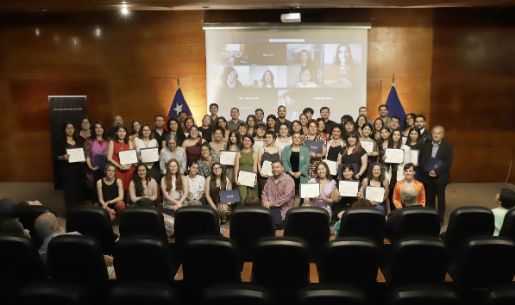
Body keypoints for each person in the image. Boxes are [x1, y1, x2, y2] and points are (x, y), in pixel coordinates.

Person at [420, 125, 453, 222]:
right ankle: (431, 215)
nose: (436, 135)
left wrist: (436, 171)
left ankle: (440, 217)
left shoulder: (447, 146)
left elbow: (448, 161)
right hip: (428, 175)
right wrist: (428, 171)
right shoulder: (426, 145)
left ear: (443, 135)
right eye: (434, 133)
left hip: (441, 176)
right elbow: (422, 161)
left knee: (441, 197)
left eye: (438, 133)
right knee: (430, 197)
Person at [55, 122, 85, 209]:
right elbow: (55, 157)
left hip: (79, 170)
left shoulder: (79, 140)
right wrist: (63, 157)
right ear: (64, 130)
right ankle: (70, 213)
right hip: (67, 170)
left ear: (74, 129)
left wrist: (83, 159)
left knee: (79, 192)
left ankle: (80, 211)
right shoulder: (59, 141)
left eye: (72, 127)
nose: (70, 130)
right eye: (67, 128)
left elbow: (83, 153)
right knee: (69, 192)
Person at [282, 132, 310, 206]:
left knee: (298, 194)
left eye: (298, 137)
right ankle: (288, 211)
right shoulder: (286, 149)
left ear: (301, 139)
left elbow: (307, 163)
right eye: (295, 137)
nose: (297, 139)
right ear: (292, 138)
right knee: (288, 194)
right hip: (289, 175)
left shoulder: (305, 150)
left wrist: (300, 172)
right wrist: (291, 172)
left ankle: (294, 211)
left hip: (301, 176)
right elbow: (284, 161)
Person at [107, 126, 135, 191]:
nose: (121, 133)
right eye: (120, 131)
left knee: (130, 189)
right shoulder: (112, 142)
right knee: (119, 188)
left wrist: (129, 165)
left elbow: (131, 156)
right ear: (116, 133)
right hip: (117, 169)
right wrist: (120, 166)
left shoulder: (129, 142)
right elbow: (109, 158)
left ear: (126, 133)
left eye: (123, 131)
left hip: (128, 168)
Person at [85, 122, 109, 194]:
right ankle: (96, 200)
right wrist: (91, 167)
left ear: (103, 129)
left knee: (106, 183)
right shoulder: (89, 141)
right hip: (94, 167)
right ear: (94, 129)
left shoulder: (108, 140)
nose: (99, 129)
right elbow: (87, 155)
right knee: (96, 184)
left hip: (106, 166)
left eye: (101, 127)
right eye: (96, 127)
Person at [234, 134, 259, 204]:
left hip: (251, 179)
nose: (247, 142)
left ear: (251, 142)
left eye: (249, 141)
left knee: (252, 199)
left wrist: (255, 179)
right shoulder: (238, 153)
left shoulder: (255, 153)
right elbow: (236, 167)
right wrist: (236, 179)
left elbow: (255, 167)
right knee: (243, 198)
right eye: (245, 140)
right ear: (243, 141)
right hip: (241, 180)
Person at [258, 131, 281, 197]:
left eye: (269, 137)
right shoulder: (262, 149)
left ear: (274, 139)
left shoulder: (278, 149)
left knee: (275, 195)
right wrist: (260, 172)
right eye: (266, 137)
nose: (267, 139)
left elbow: (280, 163)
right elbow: (258, 162)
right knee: (264, 195)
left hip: (276, 177)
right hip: (263, 177)